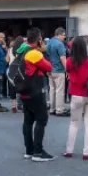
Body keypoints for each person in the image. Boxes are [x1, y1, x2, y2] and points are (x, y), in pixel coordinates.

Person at [18, 28, 54, 162]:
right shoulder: (34, 54)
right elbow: (49, 67)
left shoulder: (21, 50)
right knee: (41, 119)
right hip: (35, 90)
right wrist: (43, 51)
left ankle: (29, 150)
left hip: (23, 90)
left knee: (28, 121)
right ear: (39, 39)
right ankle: (38, 151)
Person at [64, 36, 88, 160]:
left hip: (76, 94)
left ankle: (69, 150)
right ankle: (86, 152)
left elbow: (69, 73)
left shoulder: (70, 61)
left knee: (74, 123)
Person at [46, 28, 69, 116]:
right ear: (59, 34)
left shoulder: (49, 42)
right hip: (59, 70)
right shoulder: (60, 44)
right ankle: (59, 109)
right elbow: (63, 58)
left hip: (50, 69)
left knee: (52, 89)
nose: (64, 37)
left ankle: (52, 108)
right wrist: (67, 70)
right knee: (60, 90)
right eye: (63, 35)